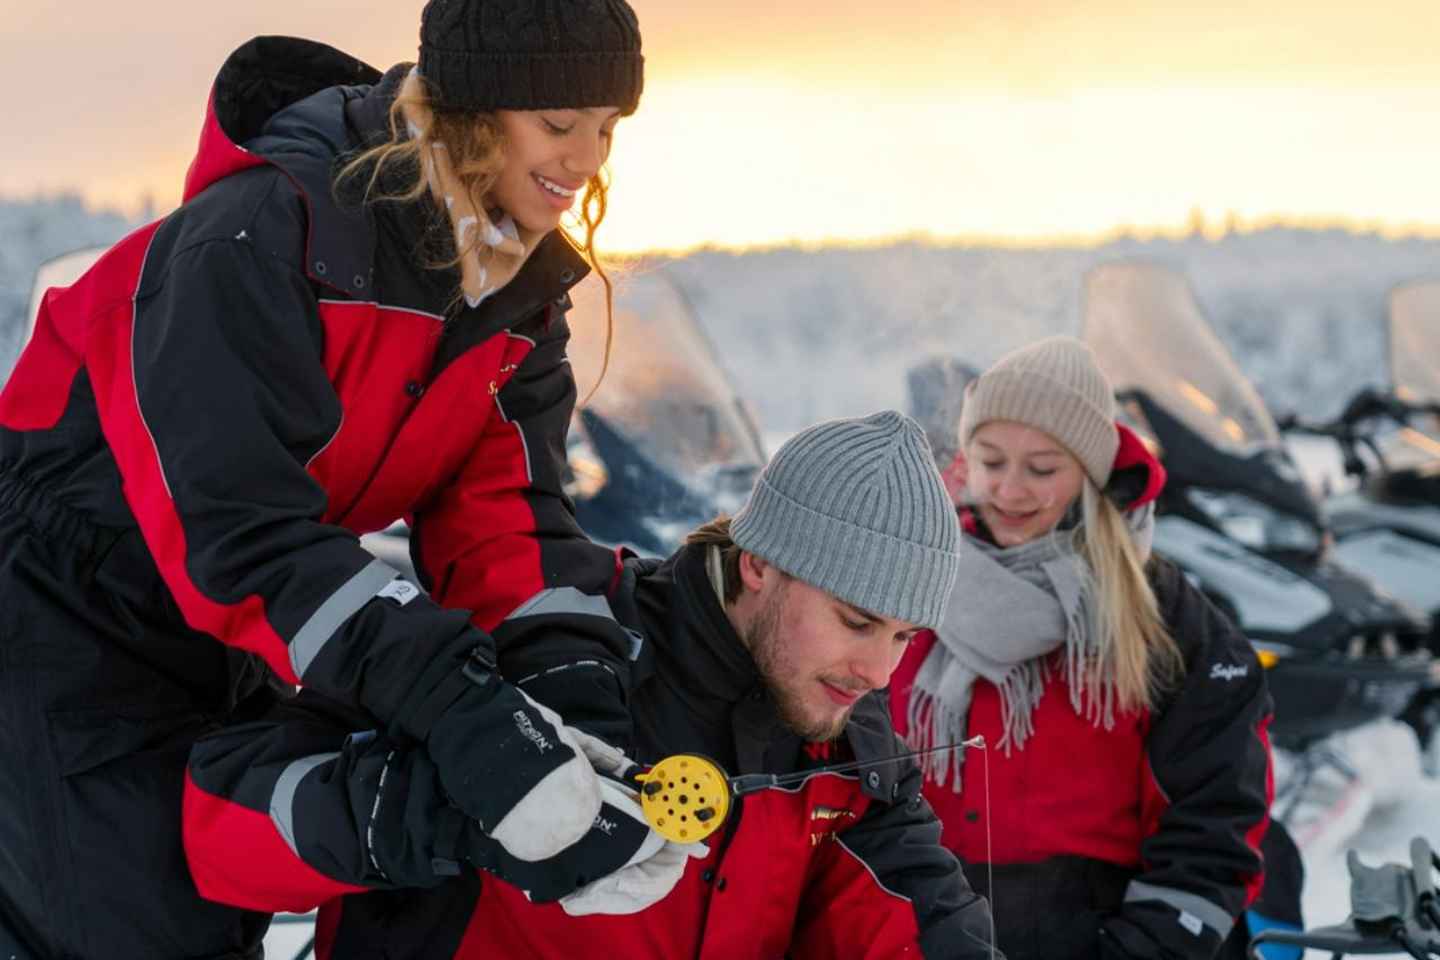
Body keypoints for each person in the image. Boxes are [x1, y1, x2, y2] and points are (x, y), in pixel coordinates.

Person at [0, 2, 656, 956]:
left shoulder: (512, 295)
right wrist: (466, 706)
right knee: (136, 922)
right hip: (65, 603)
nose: (587, 158)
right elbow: (241, 531)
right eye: (560, 125)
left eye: (608, 128)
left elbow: (508, 520)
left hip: (252, 620)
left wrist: (575, 714)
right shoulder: (261, 236)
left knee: (369, 852)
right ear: (472, 111)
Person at [185, 411, 1004, 959]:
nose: (880, 671)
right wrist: (443, 810)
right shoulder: (553, 640)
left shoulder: (842, 746)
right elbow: (222, 832)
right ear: (760, 564)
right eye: (857, 621)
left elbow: (918, 922)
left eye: (905, 637)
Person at [888, 337, 1274, 960]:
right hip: (936, 933)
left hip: (1112, 935)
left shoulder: (1165, 617)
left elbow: (1216, 818)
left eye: (1042, 469)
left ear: (1090, 474)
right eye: (991, 462)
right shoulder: (909, 589)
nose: (1009, 490)